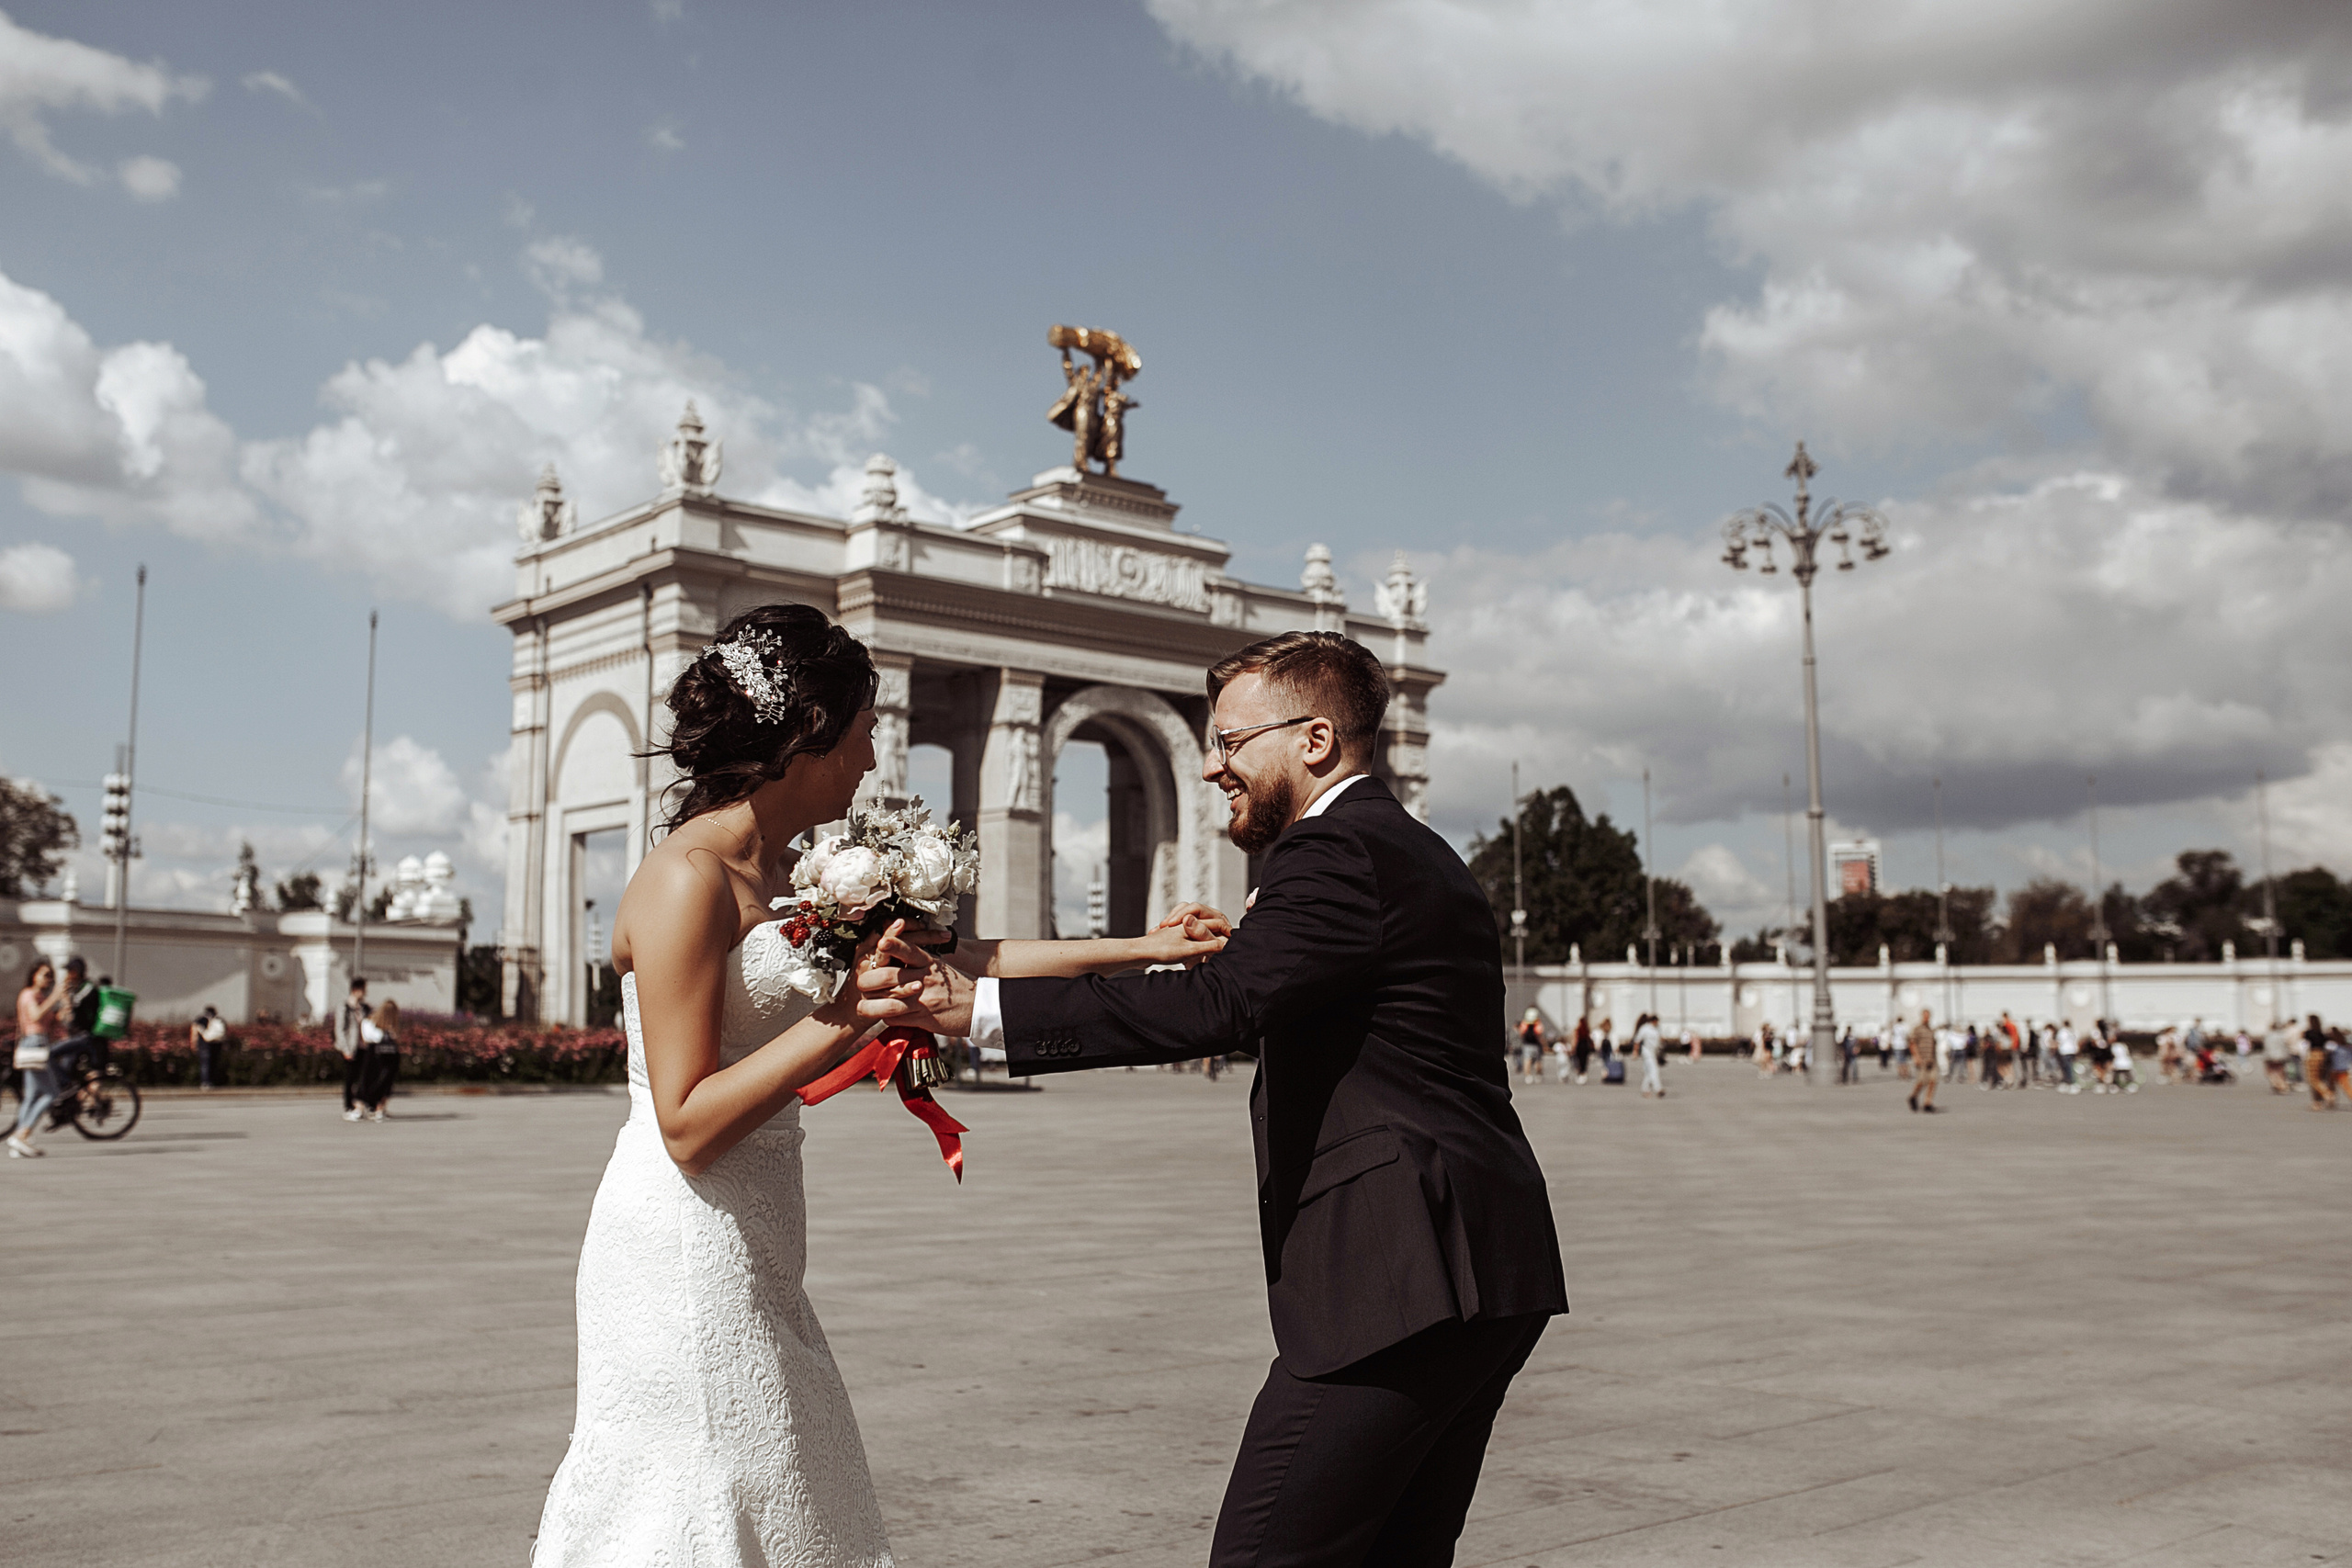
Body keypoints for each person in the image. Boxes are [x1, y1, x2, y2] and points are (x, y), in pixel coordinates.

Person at [859, 629, 1567, 1568]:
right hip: (1481, 1266)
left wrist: (977, 1010)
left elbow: (1219, 1005)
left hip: (1401, 1274)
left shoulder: (1333, 851)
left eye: (1231, 742)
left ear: (1312, 741)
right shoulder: (1413, 851)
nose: (1208, 767)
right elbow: (1267, 986)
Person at [533, 605, 1222, 1565]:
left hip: (759, 1221)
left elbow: (971, 954)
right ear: (807, 734)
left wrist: (1147, 949)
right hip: (682, 1232)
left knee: (783, 1471)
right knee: (707, 1482)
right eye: (861, 733)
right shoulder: (687, 878)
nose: (868, 761)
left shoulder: (784, 875)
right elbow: (686, 1124)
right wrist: (847, 1017)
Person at [10, 960, 57, 1158]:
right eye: (44, 974)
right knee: (51, 1092)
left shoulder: (39, 996)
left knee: (31, 1095)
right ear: (34, 975)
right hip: (34, 1043)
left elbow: (49, 1022)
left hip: (38, 1042)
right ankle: (23, 1133)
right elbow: (35, 1016)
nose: (48, 979)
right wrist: (55, 997)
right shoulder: (29, 994)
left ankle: (19, 1143)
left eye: (50, 976)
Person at [358, 998, 401, 1120]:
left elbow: (368, 1038)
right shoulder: (376, 1024)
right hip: (385, 1057)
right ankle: (378, 1108)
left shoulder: (370, 1022)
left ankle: (376, 1108)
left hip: (378, 1056)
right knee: (383, 1083)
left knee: (378, 1082)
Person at [336, 978, 370, 1122]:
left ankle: (359, 1106)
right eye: (363, 989)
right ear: (356, 990)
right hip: (350, 1048)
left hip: (364, 1048)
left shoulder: (364, 1008)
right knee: (350, 1078)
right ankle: (348, 1106)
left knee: (362, 1078)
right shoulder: (345, 1007)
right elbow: (340, 1029)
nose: (365, 993)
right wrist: (345, 1049)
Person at [1907, 1009, 1939, 1113]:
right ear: (1922, 1016)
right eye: (1925, 1016)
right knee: (1922, 1081)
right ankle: (1913, 1096)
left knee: (1933, 1081)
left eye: (1928, 1016)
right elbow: (1912, 1043)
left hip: (1932, 1060)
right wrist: (1916, 1057)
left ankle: (1927, 1103)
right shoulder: (1917, 1029)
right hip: (1922, 1060)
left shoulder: (1931, 1030)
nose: (1927, 1018)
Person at [190, 1005, 228, 1090]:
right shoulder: (219, 1020)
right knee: (213, 1063)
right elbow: (224, 1033)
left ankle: (205, 1082)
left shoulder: (200, 1020)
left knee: (205, 1064)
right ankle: (211, 1081)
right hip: (217, 1044)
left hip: (204, 1045)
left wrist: (193, 1044)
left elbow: (194, 1032)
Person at [2306, 1014, 2335, 1111]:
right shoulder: (2323, 1034)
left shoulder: (2308, 1033)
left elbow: (2303, 1045)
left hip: (2312, 1055)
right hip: (2322, 1055)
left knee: (2313, 1080)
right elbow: (2329, 1046)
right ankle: (2318, 1101)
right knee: (2320, 1079)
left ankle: (2326, 1094)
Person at [1513, 1008, 1545, 1086]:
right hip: (1536, 1045)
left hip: (1527, 1045)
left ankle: (1528, 1076)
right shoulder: (1538, 1024)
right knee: (1537, 1060)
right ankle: (1538, 1075)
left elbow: (1521, 1034)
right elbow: (1540, 1035)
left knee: (1527, 1060)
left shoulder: (1524, 1024)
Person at [1636, 1011, 1665, 1098]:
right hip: (1647, 1052)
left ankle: (1645, 1089)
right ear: (1653, 1021)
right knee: (1654, 1070)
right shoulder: (1645, 1029)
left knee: (1648, 1072)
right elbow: (1637, 1040)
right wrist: (1635, 1051)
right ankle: (1658, 1089)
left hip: (1654, 1052)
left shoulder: (1657, 1029)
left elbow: (1660, 1038)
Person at [1570, 1016, 1593, 1083]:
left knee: (1579, 1061)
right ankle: (1583, 1074)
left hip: (1580, 1046)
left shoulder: (1578, 1029)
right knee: (1584, 1061)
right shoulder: (1587, 1030)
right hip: (1585, 1046)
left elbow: (1576, 1039)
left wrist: (1573, 1047)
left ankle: (1580, 1074)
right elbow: (1589, 1038)